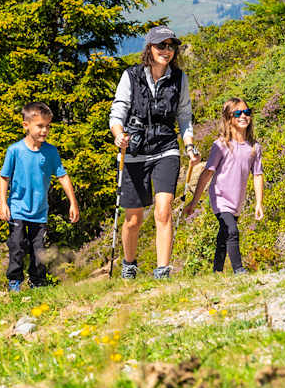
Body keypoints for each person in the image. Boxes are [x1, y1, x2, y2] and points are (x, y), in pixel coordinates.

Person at [109, 25, 197, 280]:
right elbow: (118, 110)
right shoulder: (131, 76)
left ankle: (162, 272)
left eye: (171, 46)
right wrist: (118, 134)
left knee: (163, 210)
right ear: (149, 48)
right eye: (161, 46)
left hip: (166, 148)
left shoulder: (179, 78)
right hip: (134, 150)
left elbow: (184, 114)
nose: (167, 51)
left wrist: (189, 144)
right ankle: (129, 264)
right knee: (133, 220)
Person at [0, 101, 80, 291]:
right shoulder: (15, 150)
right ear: (26, 125)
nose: (45, 130)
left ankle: (37, 281)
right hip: (17, 209)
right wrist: (3, 204)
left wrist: (73, 203)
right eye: (40, 126)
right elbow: (4, 178)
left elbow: (63, 176)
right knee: (17, 246)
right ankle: (14, 281)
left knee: (39, 250)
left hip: (40, 211)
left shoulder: (50, 152)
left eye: (48, 126)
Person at [183, 98, 265, 274]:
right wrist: (194, 202)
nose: (243, 116)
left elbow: (258, 175)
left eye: (247, 112)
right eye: (238, 113)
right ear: (229, 118)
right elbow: (207, 174)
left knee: (224, 235)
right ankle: (239, 270)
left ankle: (217, 271)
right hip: (220, 198)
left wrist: (259, 203)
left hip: (237, 200)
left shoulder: (254, 147)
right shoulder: (221, 145)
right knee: (231, 230)